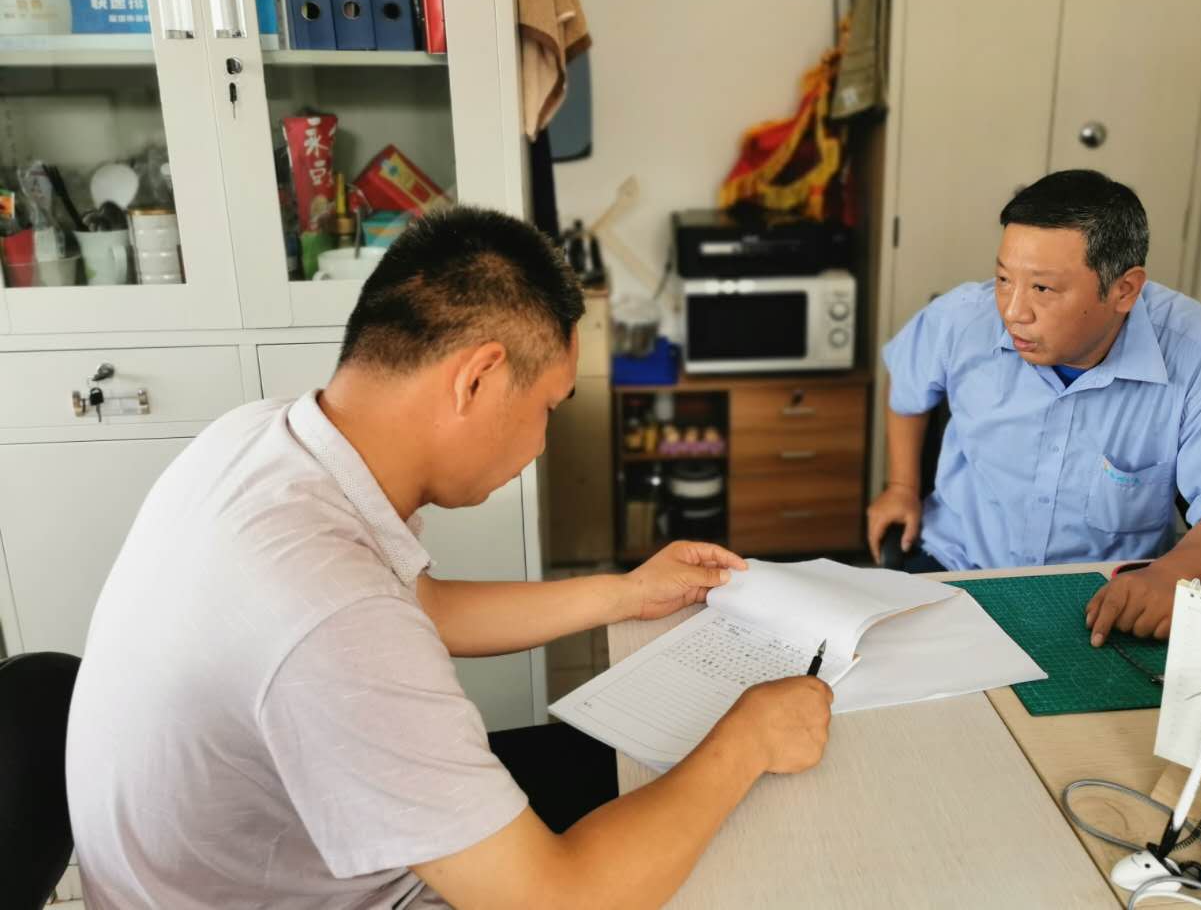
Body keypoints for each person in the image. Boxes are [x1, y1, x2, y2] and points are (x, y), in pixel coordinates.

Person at [66, 207, 833, 909]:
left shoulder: (260, 439)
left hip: (231, 869)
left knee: (641, 782)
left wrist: (625, 593)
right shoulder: (330, 616)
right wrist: (749, 738)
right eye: (547, 408)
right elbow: (560, 901)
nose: (541, 444)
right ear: (477, 378)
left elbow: (422, 608)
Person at [867, 170, 1201, 646]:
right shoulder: (962, 319)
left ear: (1124, 290)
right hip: (958, 568)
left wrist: (1170, 575)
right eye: (1003, 279)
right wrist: (901, 486)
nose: (1012, 312)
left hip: (1101, 597)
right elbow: (906, 379)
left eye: (1042, 289)